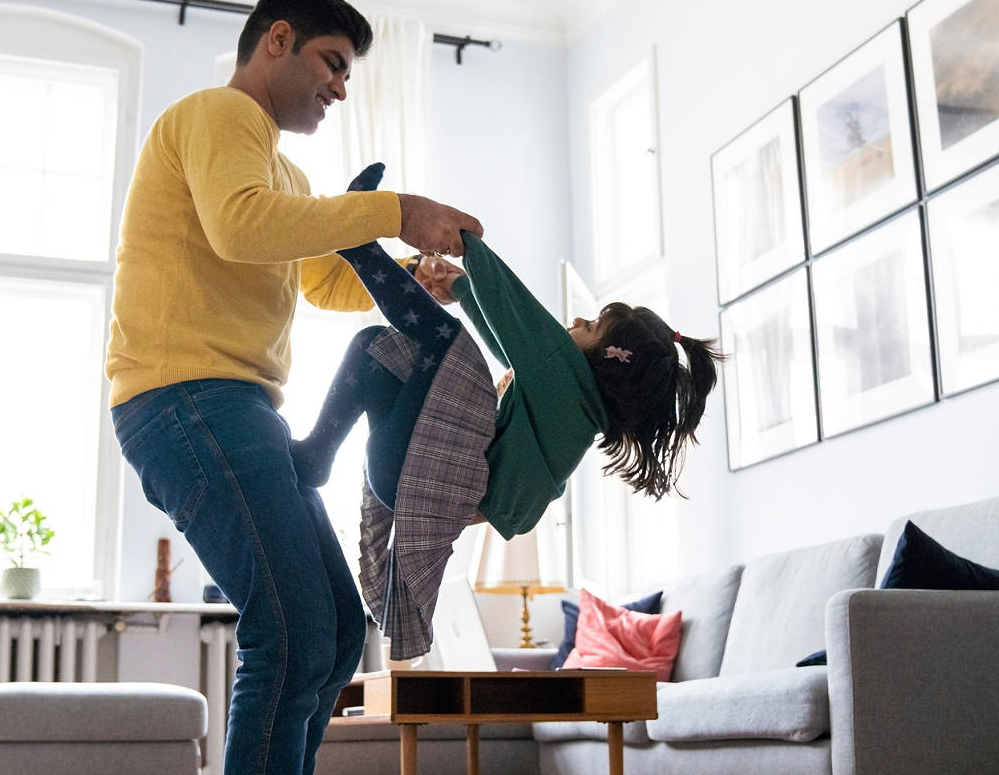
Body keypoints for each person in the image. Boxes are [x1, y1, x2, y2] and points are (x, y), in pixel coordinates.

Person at [105, 0, 482, 775]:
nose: (340, 89)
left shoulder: (271, 169)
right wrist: (397, 207)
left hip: (231, 407)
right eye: (331, 64)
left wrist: (405, 274)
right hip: (189, 397)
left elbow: (311, 274)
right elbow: (241, 228)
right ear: (276, 40)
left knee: (331, 625)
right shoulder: (219, 117)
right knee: (292, 623)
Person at [290, 164, 723, 661]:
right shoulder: (568, 410)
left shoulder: (564, 385)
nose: (579, 319)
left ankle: (358, 250)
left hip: (417, 478)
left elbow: (520, 319)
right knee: (378, 347)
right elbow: (512, 341)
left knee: (450, 348)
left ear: (609, 361)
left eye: (594, 324)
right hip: (408, 477)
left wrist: (466, 243)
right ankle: (316, 454)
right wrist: (457, 288)